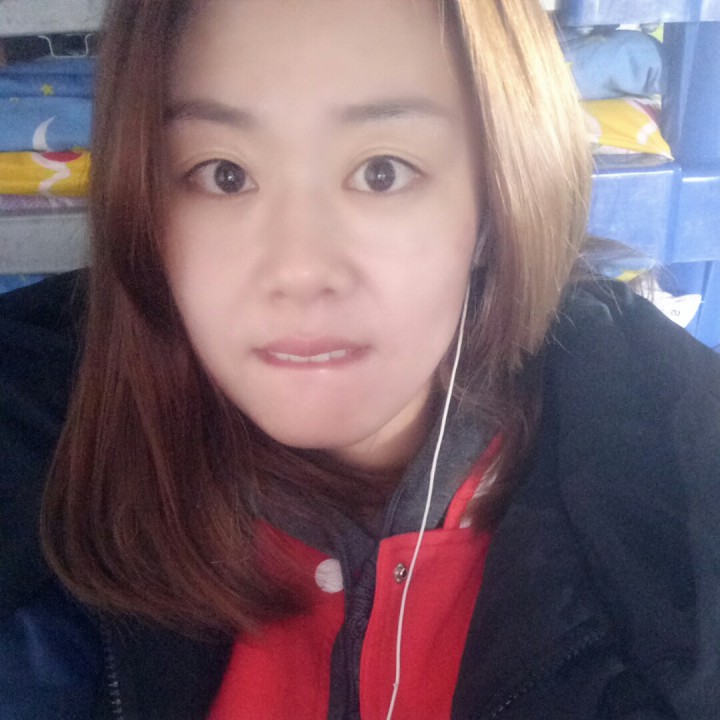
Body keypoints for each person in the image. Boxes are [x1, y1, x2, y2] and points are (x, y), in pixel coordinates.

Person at [1, 0, 719, 718]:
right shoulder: (40, 429)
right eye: (224, 175)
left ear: (497, 195)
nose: (299, 270)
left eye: (381, 172)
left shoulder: (678, 475)